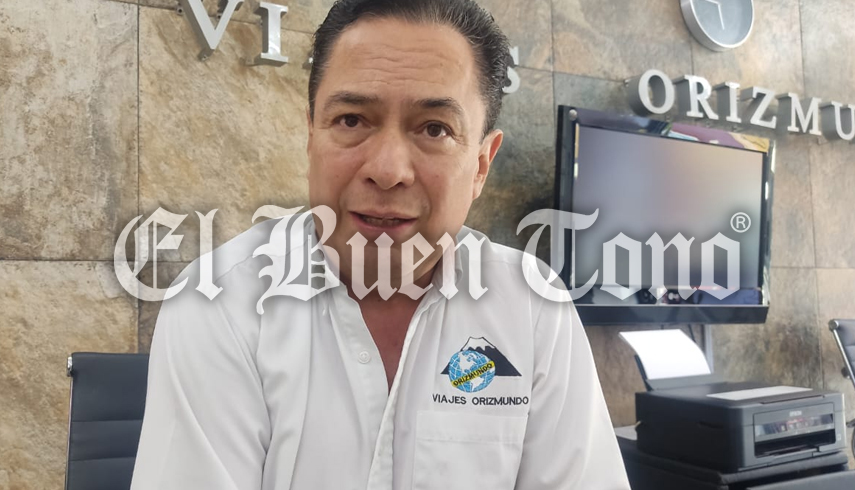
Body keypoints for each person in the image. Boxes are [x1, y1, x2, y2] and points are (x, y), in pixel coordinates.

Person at [131, 0, 630, 488]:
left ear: (481, 164)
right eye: (352, 120)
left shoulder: (532, 305)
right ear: (311, 136)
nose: (388, 170)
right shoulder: (221, 303)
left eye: (434, 129)